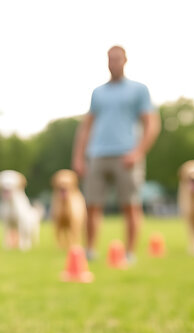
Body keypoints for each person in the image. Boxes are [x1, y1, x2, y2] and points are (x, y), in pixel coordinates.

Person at [71, 45, 160, 262]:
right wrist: (79, 156)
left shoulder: (139, 90)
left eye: (118, 59)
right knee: (91, 205)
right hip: (98, 155)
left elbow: (152, 124)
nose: (114, 63)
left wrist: (138, 152)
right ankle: (90, 251)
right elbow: (86, 126)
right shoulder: (98, 92)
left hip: (126, 156)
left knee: (130, 205)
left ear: (125, 60)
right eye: (110, 59)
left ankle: (129, 253)